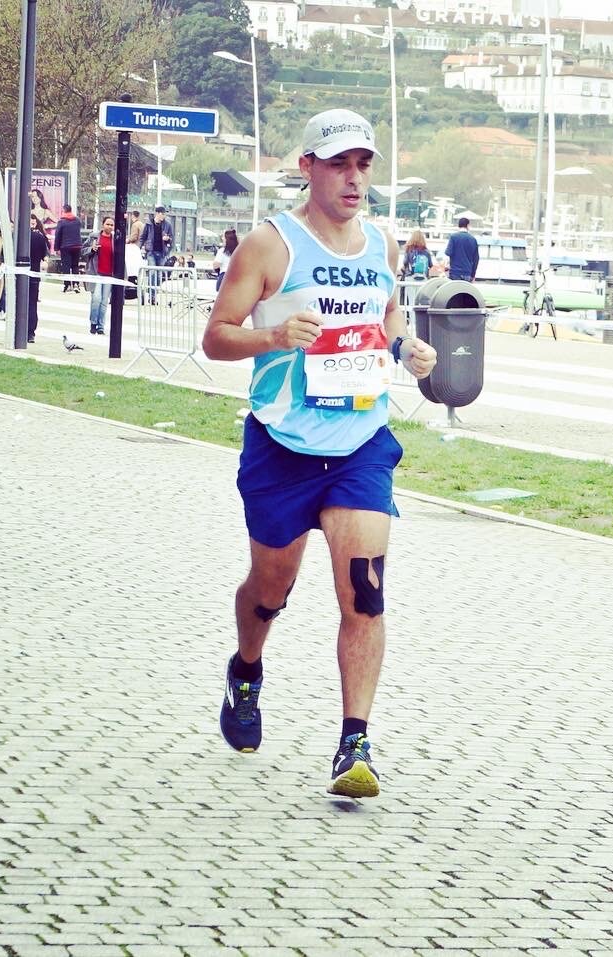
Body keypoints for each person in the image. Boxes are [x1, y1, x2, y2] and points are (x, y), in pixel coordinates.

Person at [201, 108, 438, 799]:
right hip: (282, 444)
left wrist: (404, 347)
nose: (354, 178)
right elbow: (217, 336)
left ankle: (354, 742)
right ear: (307, 167)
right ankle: (247, 668)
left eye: (364, 164)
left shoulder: (381, 245)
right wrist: (273, 339)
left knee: (364, 591)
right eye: (339, 164)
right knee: (270, 587)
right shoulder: (271, 245)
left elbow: (384, 316)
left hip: (362, 441)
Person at [86, 215, 116, 335]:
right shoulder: (94, 237)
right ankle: (93, 323)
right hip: (96, 272)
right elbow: (83, 250)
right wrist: (91, 249)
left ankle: (101, 326)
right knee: (96, 298)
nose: (109, 226)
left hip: (109, 274)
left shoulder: (115, 239)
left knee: (104, 301)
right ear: (103, 225)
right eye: (107, 224)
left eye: (111, 225)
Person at [140, 205, 174, 304]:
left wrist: (168, 241)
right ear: (157, 213)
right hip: (151, 252)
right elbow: (143, 237)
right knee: (153, 273)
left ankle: (154, 295)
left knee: (159, 275)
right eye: (162, 214)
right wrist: (139, 248)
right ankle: (152, 296)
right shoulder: (149, 224)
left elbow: (172, 238)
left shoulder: (167, 225)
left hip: (162, 253)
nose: (164, 216)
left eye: (164, 214)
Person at [26, 213, 49, 343]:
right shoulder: (39, 237)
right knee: (32, 303)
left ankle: (19, 329)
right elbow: (44, 256)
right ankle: (31, 332)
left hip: (19, 275)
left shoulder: (15, 236)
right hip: (34, 275)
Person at [54, 203, 84, 293]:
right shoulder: (77, 220)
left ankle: (67, 285)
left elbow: (58, 235)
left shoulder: (61, 222)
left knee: (66, 266)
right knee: (75, 266)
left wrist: (56, 248)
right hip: (77, 246)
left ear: (64, 210)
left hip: (65, 247)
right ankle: (76, 284)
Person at [443, 216, 479, 281]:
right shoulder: (473, 239)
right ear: (467, 225)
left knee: (454, 291)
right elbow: (476, 259)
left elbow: (448, 253)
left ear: (459, 225)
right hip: (467, 272)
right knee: (465, 291)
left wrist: (446, 267)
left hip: (455, 272)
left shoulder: (453, 237)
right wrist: (473, 275)